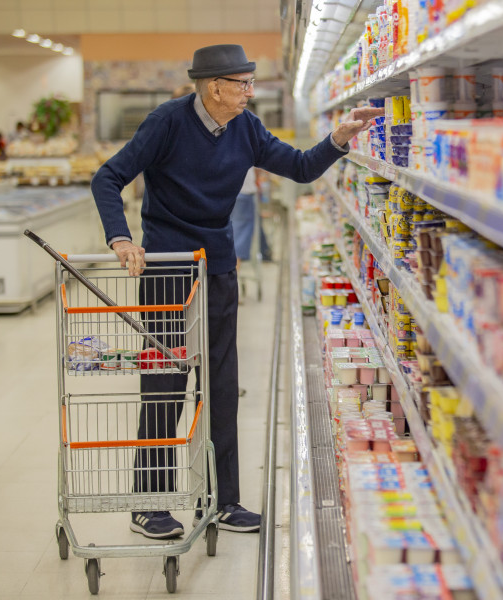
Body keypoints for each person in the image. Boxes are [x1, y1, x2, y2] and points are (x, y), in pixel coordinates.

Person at [91, 44, 381, 539]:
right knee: (164, 384)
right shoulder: (168, 121)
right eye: (243, 84)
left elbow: (301, 166)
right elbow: (108, 177)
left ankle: (224, 500)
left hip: (218, 266)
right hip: (168, 268)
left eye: (251, 83)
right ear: (214, 87)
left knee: (222, 384)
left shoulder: (245, 127)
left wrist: (339, 136)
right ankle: (150, 505)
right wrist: (120, 237)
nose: (251, 91)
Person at [231, 167, 271, 267]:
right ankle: (232, 276)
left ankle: (229, 275)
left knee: (233, 234)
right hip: (244, 194)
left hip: (231, 192)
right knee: (239, 239)